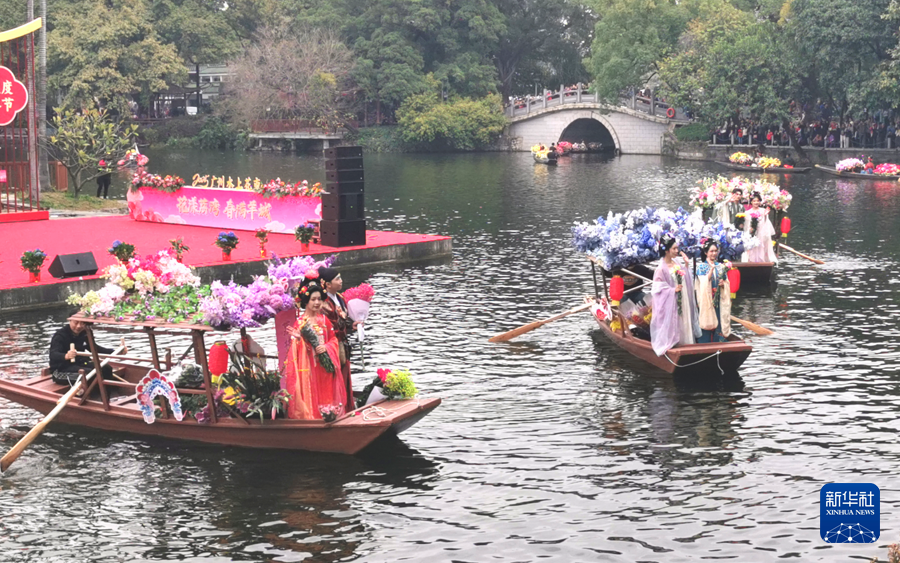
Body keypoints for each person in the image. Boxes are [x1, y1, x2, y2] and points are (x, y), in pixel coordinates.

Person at [283, 275, 346, 420]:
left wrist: (326, 347)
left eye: (319, 299)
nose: (317, 302)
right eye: (313, 299)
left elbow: (333, 340)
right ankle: (312, 417)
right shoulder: (300, 323)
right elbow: (294, 351)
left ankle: (329, 415)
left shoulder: (325, 320)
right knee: (311, 390)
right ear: (306, 302)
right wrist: (299, 340)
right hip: (309, 367)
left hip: (325, 365)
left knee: (326, 391)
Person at [650, 234, 700, 356]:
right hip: (672, 301)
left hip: (683, 300)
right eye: (674, 249)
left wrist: (687, 265)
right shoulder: (660, 269)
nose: (677, 251)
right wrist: (672, 291)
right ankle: (676, 346)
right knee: (677, 321)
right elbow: (657, 290)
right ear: (666, 251)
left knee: (685, 319)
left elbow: (685, 279)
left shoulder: (677, 262)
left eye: (677, 248)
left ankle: (688, 345)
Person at [318, 266, 356, 408]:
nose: (341, 281)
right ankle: (338, 406)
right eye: (337, 279)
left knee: (345, 372)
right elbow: (330, 325)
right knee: (337, 374)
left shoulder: (340, 298)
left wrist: (353, 324)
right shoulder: (324, 302)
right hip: (333, 344)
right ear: (327, 284)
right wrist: (343, 319)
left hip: (343, 342)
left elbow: (344, 320)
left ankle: (347, 405)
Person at [48, 318, 119, 385]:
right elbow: (53, 354)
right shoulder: (60, 335)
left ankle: (106, 395)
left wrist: (116, 351)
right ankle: (84, 396)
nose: (79, 326)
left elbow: (95, 349)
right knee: (89, 374)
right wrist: (66, 356)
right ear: (69, 320)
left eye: (82, 323)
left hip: (79, 364)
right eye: (76, 323)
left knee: (106, 368)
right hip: (61, 370)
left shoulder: (85, 332)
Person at [695, 240, 732, 343]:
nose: (714, 253)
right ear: (706, 252)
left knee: (719, 320)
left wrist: (723, 284)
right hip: (707, 300)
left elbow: (726, 282)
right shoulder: (702, 267)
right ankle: (704, 342)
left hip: (718, 300)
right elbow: (701, 283)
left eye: (715, 251)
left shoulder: (720, 267)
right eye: (711, 251)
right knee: (706, 321)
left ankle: (719, 340)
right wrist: (710, 273)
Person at [742, 192, 778, 263]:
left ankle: (762, 261)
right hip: (751, 233)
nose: (756, 202)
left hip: (761, 233)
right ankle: (750, 261)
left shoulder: (763, 211)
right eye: (754, 201)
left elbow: (765, 223)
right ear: (751, 202)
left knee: (761, 247)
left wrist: (764, 216)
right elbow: (746, 225)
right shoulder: (747, 212)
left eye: (757, 201)